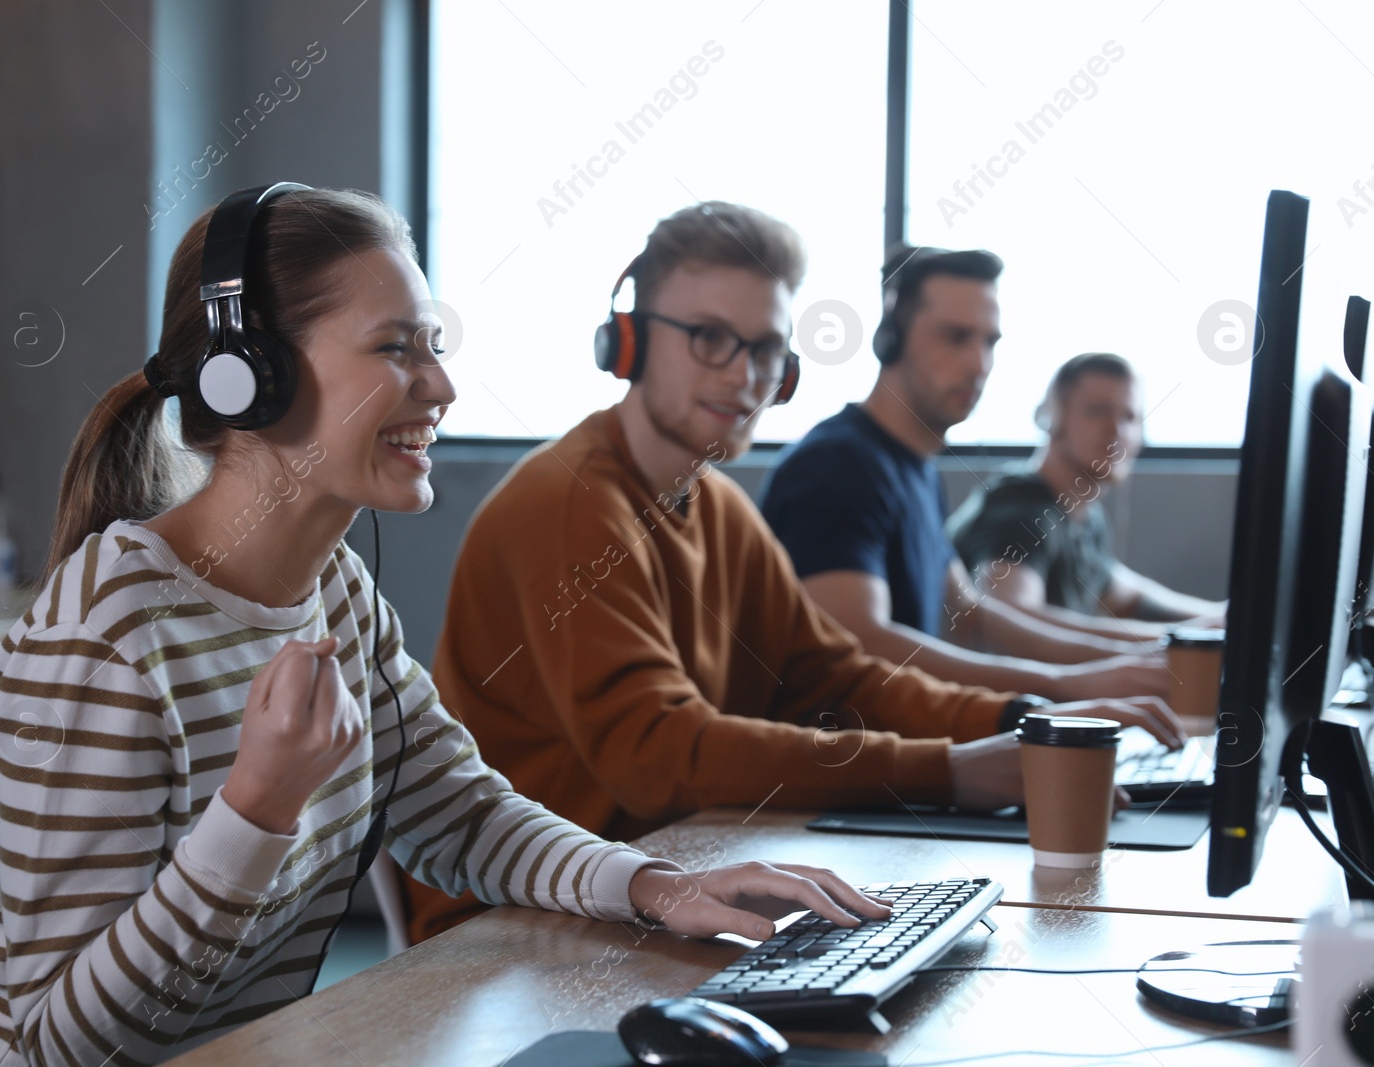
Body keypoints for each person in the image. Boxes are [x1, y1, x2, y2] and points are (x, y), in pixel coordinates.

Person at [0, 186, 895, 1067]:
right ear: (250, 374)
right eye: (394, 348)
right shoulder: (105, 639)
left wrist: (654, 885)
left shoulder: (336, 591)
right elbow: (55, 1043)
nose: (442, 387)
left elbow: (458, 815)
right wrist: (254, 809)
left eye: (435, 345)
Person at [401, 203, 1181, 945]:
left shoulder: (719, 507)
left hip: (680, 881)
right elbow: (659, 755)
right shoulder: (572, 505)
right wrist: (949, 770)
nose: (744, 374)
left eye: (766, 348)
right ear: (628, 342)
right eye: (709, 337)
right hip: (520, 924)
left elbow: (837, 675)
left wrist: (1017, 717)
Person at [760, 245, 1181, 699]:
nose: (979, 364)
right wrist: (1065, 685)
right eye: (956, 337)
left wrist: (1133, 660)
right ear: (892, 339)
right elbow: (863, 643)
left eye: (989, 342)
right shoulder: (838, 466)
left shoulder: (915, 469)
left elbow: (971, 612)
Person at [948, 351, 1226, 629]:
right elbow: (1010, 622)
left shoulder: (1084, 517)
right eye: (1098, 411)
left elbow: (1128, 595)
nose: (1117, 430)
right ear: (1051, 418)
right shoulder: (1023, 512)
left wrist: (1221, 618)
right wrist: (1171, 642)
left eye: (1130, 417)